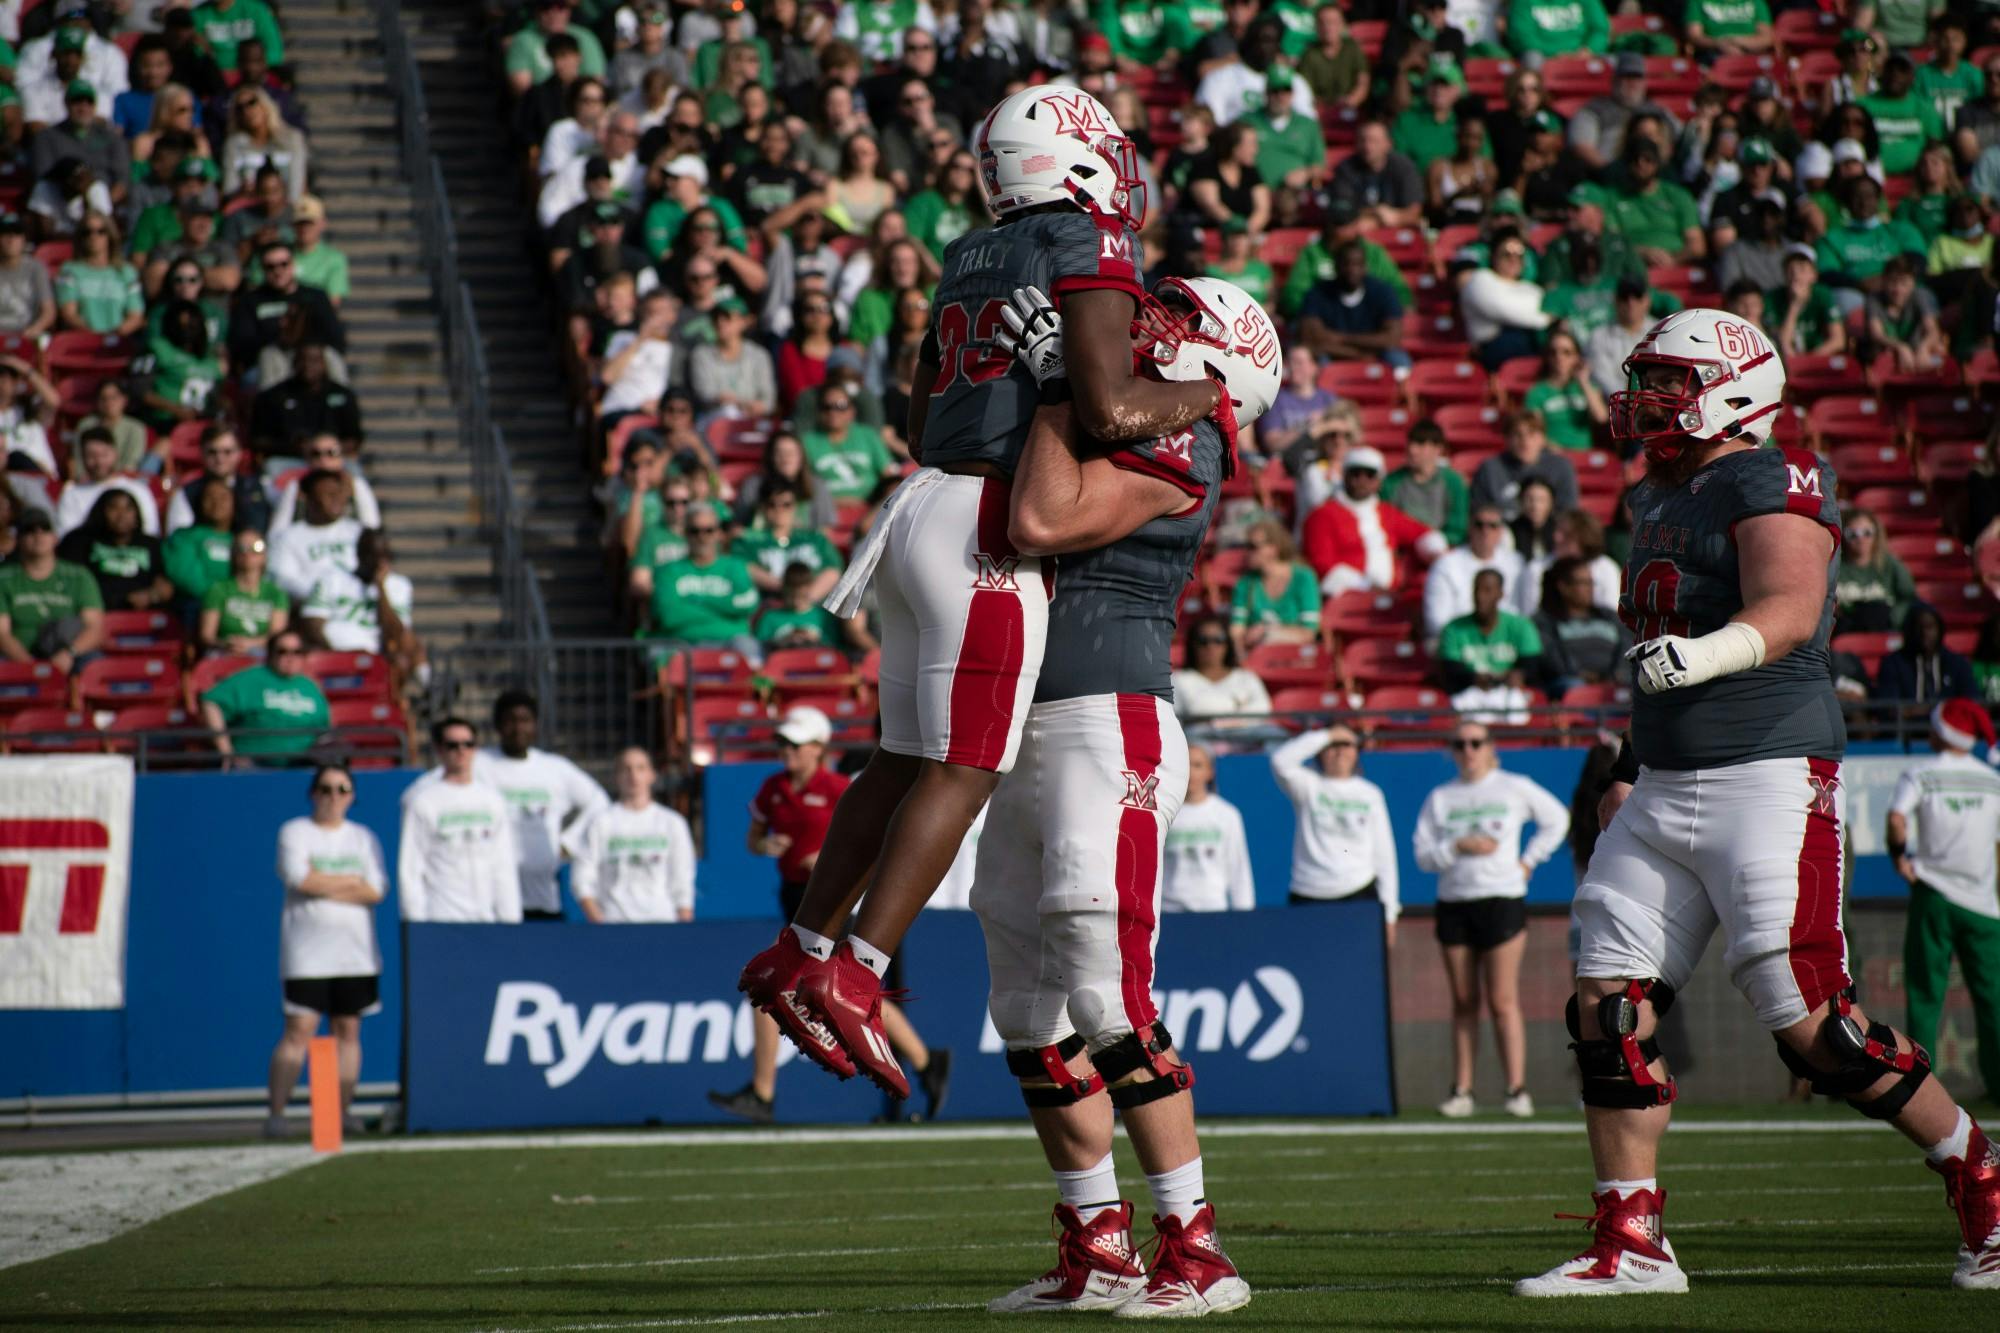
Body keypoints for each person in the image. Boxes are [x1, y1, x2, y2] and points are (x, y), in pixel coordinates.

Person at [735, 89, 1235, 1096]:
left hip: (919, 500)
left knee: (899, 758)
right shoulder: (1085, 240)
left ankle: (800, 945)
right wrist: (1205, 389)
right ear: (1071, 161)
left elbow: (924, 408)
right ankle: (856, 974)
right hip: (983, 526)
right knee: (961, 770)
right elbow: (1101, 406)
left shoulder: (967, 251)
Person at [1518, 306, 2000, 1297]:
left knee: (1815, 1030)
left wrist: (1702, 654)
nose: (1643, 400)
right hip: (1660, 778)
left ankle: (1977, 1171)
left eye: (1663, 381)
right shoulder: (1659, 489)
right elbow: (1644, 657)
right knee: (1603, 1007)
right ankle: (1632, 1237)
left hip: (1764, 774)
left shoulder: (1769, 473)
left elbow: (1781, 603)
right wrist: (1620, 765)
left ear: (1726, 389)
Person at [1415, 720, 1569, 1120]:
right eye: (1460, 743)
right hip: (1455, 900)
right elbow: (1422, 855)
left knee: (1502, 999)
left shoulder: (1513, 785)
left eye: (1476, 742)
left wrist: (1529, 861)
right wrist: (1457, 846)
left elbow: (1557, 818)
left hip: (1501, 898)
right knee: (1463, 1002)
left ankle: (1516, 1089)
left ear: (1490, 747)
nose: (1468, 750)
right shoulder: (1441, 796)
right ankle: (1462, 1089)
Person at [266, 763, 384, 1139]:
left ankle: (336, 1114)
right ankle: (277, 1114)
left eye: (342, 789)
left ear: (351, 796)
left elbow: (376, 890)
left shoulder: (363, 838)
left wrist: (325, 882)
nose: (334, 797)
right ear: (313, 793)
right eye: (326, 789)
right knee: (300, 1030)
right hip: (307, 952)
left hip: (356, 952)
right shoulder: (295, 832)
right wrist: (350, 881)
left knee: (348, 1029)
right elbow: (299, 878)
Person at [1892, 700, 2000, 1102]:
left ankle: (1921, 1089)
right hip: (1985, 908)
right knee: (1993, 999)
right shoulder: (1992, 780)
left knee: (1924, 994)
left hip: (1933, 896)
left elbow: (1897, 820)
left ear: (1943, 733)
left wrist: (1899, 857)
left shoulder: (1921, 772)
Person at [461, 690, 613, 923]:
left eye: (525, 720)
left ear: (535, 725)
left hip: (545, 898)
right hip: (491, 899)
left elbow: (599, 802)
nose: (518, 728)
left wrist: (568, 843)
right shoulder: (478, 764)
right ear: (498, 726)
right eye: (510, 720)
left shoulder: (554, 768)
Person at [1269, 722, 1398, 926]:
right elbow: (1280, 761)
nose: (1339, 752)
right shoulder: (1307, 785)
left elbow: (1384, 856)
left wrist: (1390, 912)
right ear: (1320, 752)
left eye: (1346, 745)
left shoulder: (1370, 794)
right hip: (1309, 891)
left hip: (1358, 891)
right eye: (1333, 746)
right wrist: (1326, 735)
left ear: (1356, 751)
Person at [562, 747, 696, 924]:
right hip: (614, 924)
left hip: (662, 923)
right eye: (626, 769)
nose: (633, 775)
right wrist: (598, 921)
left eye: (640, 768)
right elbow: (582, 878)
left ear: (652, 775)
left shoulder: (673, 823)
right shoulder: (600, 823)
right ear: (617, 777)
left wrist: (684, 927)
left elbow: (682, 880)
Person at [1301, 445, 1443, 597]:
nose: (1362, 480)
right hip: (1345, 600)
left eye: (1370, 474)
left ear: (1379, 481)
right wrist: (1366, 587)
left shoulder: (1386, 512)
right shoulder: (1322, 515)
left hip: (1391, 597)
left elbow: (1422, 534)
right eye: (1355, 473)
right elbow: (1322, 566)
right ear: (1344, 476)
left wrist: (1437, 555)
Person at [200, 629, 328, 767]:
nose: (290, 657)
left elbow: (324, 729)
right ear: (270, 654)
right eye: (282, 651)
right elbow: (211, 702)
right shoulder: (251, 678)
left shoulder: (309, 686)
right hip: (255, 763)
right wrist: (226, 750)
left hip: (301, 763)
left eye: (297, 652)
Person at [1160, 742, 1257, 917]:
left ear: (1210, 772)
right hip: (1169, 910)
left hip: (1212, 911)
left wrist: (1245, 918)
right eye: (1186, 764)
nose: (1191, 773)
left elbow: (1238, 869)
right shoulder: (1163, 812)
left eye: (1198, 765)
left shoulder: (1227, 814)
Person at [0, 507, 103, 669]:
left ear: (55, 537)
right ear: (18, 539)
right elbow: (2, 633)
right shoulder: (3, 577)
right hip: (17, 657)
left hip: (68, 654)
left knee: (94, 662)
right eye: (30, 530)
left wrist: (69, 653)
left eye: (45, 528)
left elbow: (94, 627)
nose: (38, 534)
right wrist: (29, 665)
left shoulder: (79, 576)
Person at [1295, 241, 1408, 369]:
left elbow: (1391, 340)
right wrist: (1360, 354)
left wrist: (1342, 338)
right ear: (1336, 266)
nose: (1352, 270)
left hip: (1373, 353)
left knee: (1398, 360)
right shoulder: (1318, 293)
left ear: (1365, 267)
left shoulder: (1383, 292)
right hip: (1337, 355)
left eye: (1357, 264)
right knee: (1312, 358)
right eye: (1346, 264)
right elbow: (1311, 338)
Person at [1534, 555, 1633, 693]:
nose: (1590, 588)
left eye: (1591, 583)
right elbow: (1553, 659)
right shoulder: (1544, 622)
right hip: (1570, 687)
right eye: (1583, 583)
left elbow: (1627, 646)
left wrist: (1617, 674)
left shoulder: (1609, 617)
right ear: (1563, 587)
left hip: (1615, 683)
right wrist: (1581, 675)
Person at [58, 490, 170, 613]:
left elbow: (165, 585)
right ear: (101, 512)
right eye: (114, 508)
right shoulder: (79, 541)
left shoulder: (151, 544)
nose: (122, 515)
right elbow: (68, 580)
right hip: (92, 613)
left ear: (137, 514)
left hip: (142, 615)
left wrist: (151, 596)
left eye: (128, 509)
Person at [1424, 502, 1525, 639]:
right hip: (1460, 641)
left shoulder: (1516, 563)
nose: (1485, 531)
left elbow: (1522, 613)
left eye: (1492, 526)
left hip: (1507, 642)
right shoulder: (1446, 564)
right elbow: (1437, 621)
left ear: (1501, 532)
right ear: (1469, 528)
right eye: (1479, 524)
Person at [1228, 521, 1319, 655]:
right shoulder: (1245, 583)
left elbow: (1308, 632)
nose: (1247, 552)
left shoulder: (1303, 578)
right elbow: (1237, 630)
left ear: (1274, 548)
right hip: (1256, 657)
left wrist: (1269, 633)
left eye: (1253, 547)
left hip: (1294, 656)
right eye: (1245, 546)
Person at [1471, 410, 1579, 522]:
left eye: (1532, 434)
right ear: (1507, 439)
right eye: (1517, 434)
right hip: (1502, 533)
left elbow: (1568, 513)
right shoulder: (1490, 469)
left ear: (1542, 439)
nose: (1525, 441)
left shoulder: (1560, 467)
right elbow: (1479, 513)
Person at [164, 424, 270, 534]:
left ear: (240, 453)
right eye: (212, 452)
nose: (220, 459)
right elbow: (178, 538)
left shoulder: (258, 487)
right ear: (201, 453)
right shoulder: (187, 493)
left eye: (227, 452)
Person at [1171, 613, 1273, 723]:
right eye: (1203, 640)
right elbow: (1175, 721)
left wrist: (1226, 723)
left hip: (1247, 738)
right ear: (1192, 645)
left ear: (1227, 644)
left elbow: (1264, 709)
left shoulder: (1247, 677)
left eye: (1218, 640)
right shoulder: (1179, 680)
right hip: (1197, 738)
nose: (1211, 646)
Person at [200, 528, 287, 655]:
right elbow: (207, 635)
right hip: (224, 651)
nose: (249, 553)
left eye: (257, 547)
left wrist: (250, 644)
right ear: (234, 555)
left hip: (262, 653)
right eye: (242, 547)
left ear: (265, 556)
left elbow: (276, 636)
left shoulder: (276, 593)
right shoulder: (218, 590)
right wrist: (226, 644)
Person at [1382, 419, 1468, 547]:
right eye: (1411, 443)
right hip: (1403, 548)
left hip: (1441, 549)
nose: (1412, 450)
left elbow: (1457, 528)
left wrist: (1436, 541)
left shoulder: (1453, 482)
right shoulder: (1391, 482)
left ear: (1438, 449)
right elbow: (1385, 523)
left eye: (1421, 444)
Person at [1876, 604, 1979, 707]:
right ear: (1909, 630)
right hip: (1908, 723)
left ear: (1939, 630)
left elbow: (1972, 703)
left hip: (1947, 722)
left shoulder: (1957, 663)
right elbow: (1889, 708)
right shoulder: (1893, 664)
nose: (1924, 633)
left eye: (1930, 627)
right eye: (1918, 627)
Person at [1835, 508, 1916, 634]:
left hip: (1884, 629)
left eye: (1867, 533)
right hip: (1846, 631)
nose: (1860, 539)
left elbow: (1909, 597)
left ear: (1876, 534)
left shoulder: (1890, 564)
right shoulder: (1834, 566)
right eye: (1852, 534)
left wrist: (1893, 618)